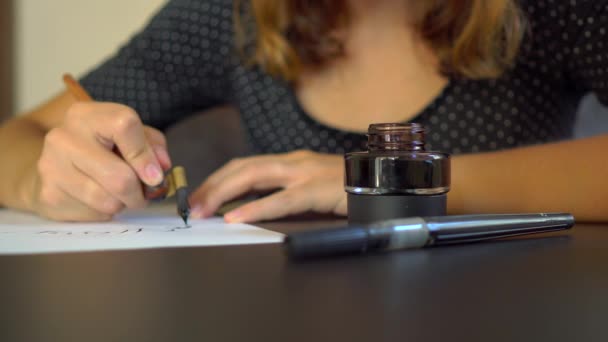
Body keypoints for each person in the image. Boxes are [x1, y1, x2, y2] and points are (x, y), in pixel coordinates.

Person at [0, 0, 607, 223]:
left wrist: (380, 185)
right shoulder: (233, 16)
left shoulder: (548, 11)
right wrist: (41, 176)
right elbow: (17, 138)